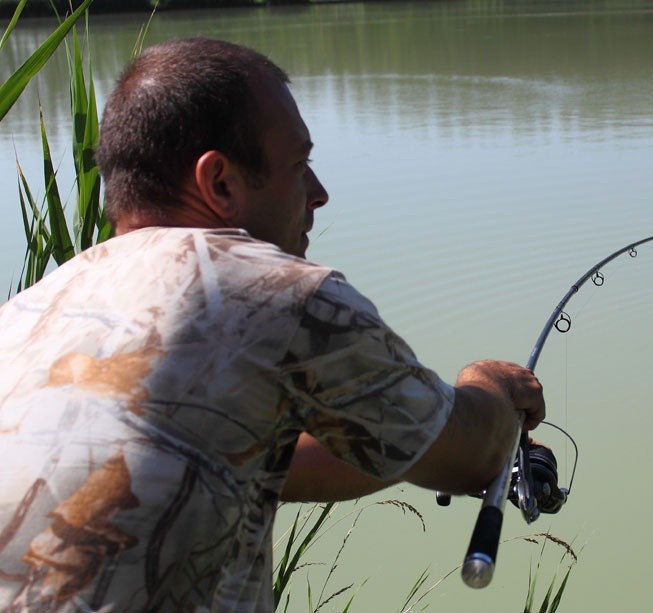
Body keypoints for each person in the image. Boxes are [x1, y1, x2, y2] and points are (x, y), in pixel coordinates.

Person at [0, 38, 545, 611]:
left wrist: (404, 440)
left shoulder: (26, 316)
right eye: (299, 165)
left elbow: (244, 463)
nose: (318, 193)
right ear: (221, 184)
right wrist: (491, 384)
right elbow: (472, 453)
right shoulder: (279, 295)